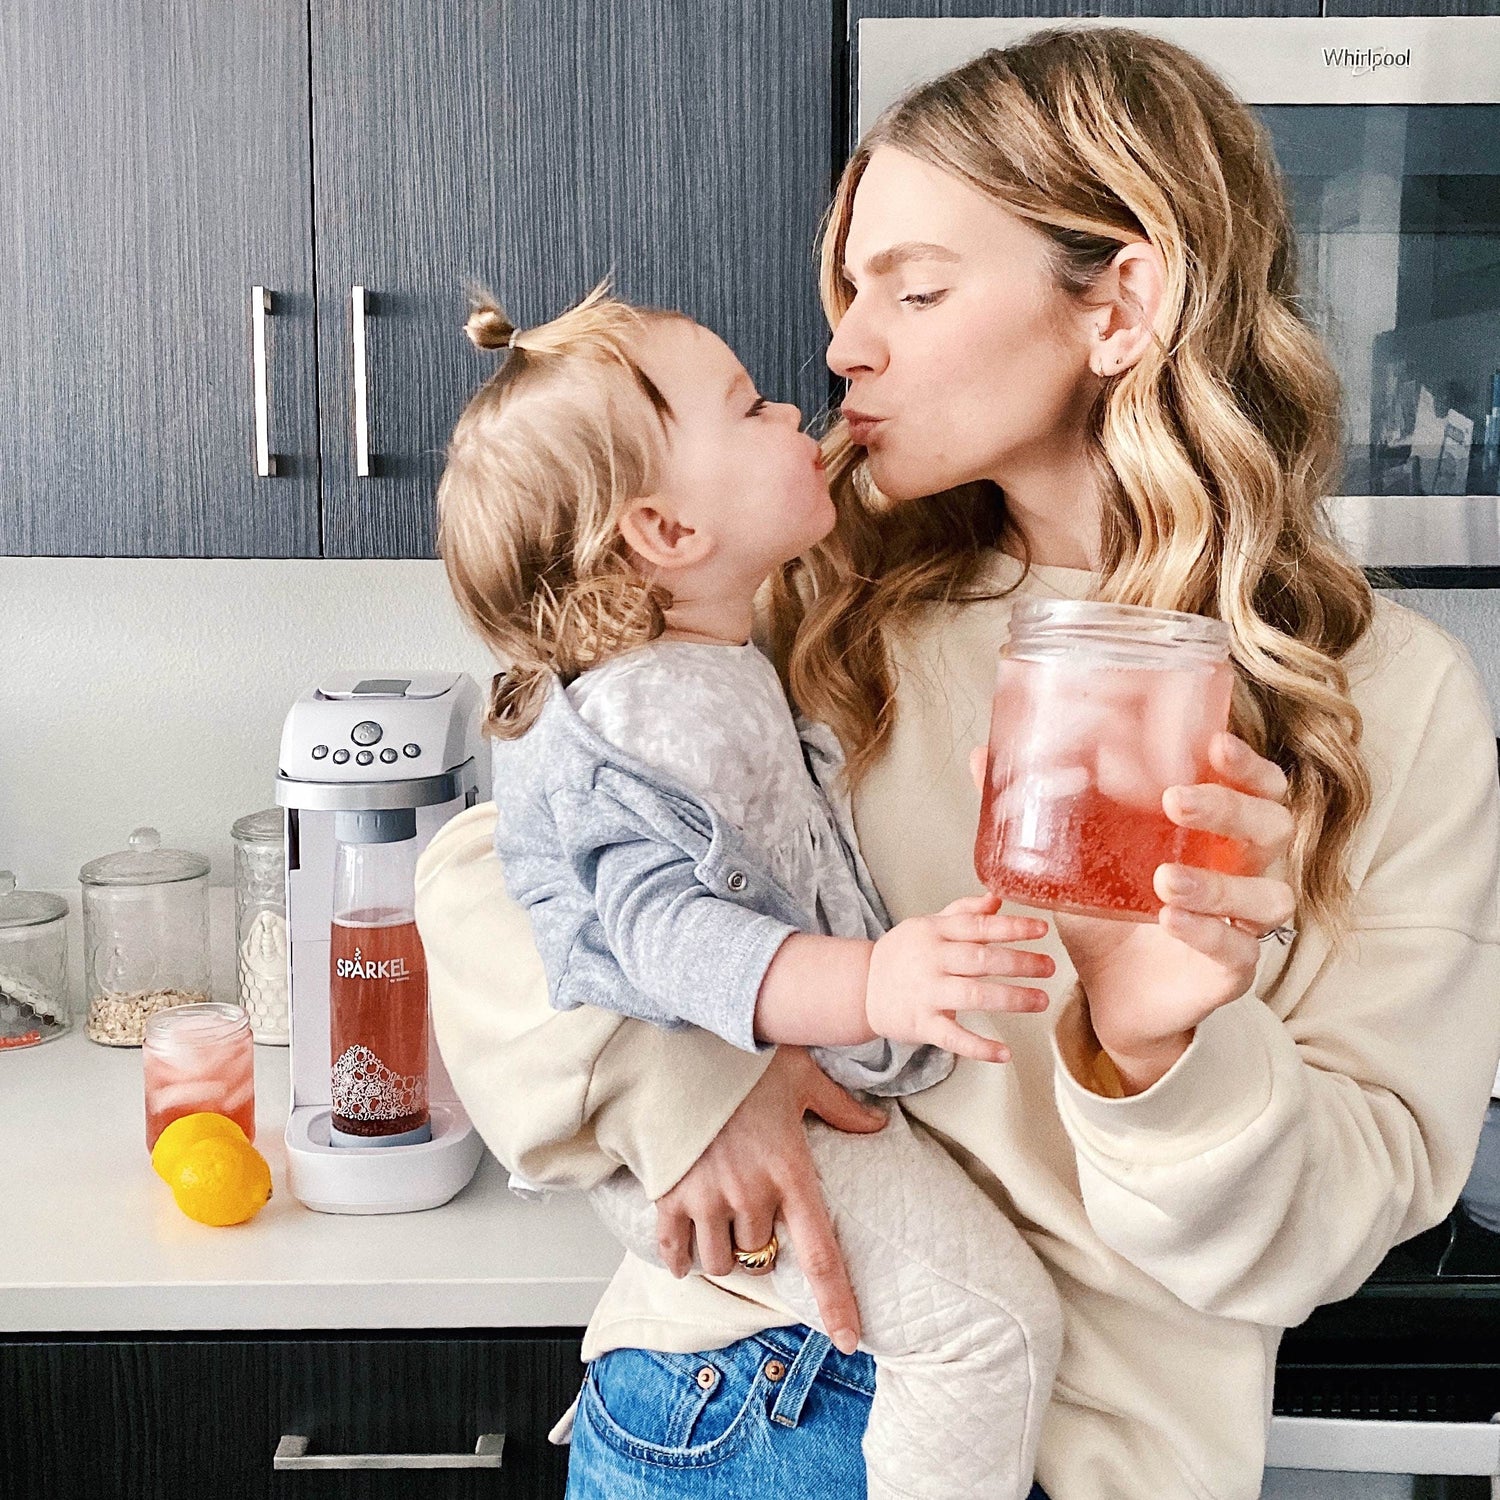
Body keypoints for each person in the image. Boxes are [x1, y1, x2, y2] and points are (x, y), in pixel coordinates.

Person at [414, 24, 1500, 1499]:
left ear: (1121, 302)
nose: (847, 343)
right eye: (851, 289)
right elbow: (491, 882)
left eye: (914, 289)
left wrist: (1159, 1048)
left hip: (1091, 1455)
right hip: (750, 1386)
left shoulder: (1390, 704)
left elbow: (1324, 1234)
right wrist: (688, 1080)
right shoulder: (796, 596)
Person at [433, 282, 1064, 1499]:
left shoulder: (714, 651)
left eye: (924, 290)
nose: (822, 376)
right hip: (739, 1378)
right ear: (666, 533)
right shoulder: (654, 707)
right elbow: (643, 929)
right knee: (990, 1331)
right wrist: (868, 986)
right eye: (752, 406)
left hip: (778, 1324)